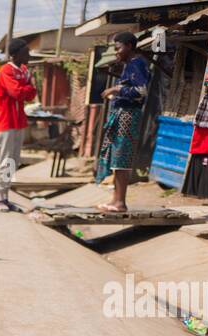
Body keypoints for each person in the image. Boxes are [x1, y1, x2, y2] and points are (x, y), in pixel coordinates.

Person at [95, 31, 149, 213]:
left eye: (118, 48)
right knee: (117, 157)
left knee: (122, 157)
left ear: (130, 46)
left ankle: (120, 202)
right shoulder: (129, 65)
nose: (116, 52)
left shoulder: (137, 64)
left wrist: (117, 89)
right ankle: (116, 200)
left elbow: (141, 91)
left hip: (128, 116)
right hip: (122, 113)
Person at [0, 39, 37, 212]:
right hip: (6, 121)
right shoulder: (6, 70)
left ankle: (5, 196)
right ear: (16, 54)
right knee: (5, 160)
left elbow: (31, 94)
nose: (29, 55)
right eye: (26, 52)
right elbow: (16, 92)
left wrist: (26, 87)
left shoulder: (24, 70)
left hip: (19, 122)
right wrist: (26, 86)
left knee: (14, 160)